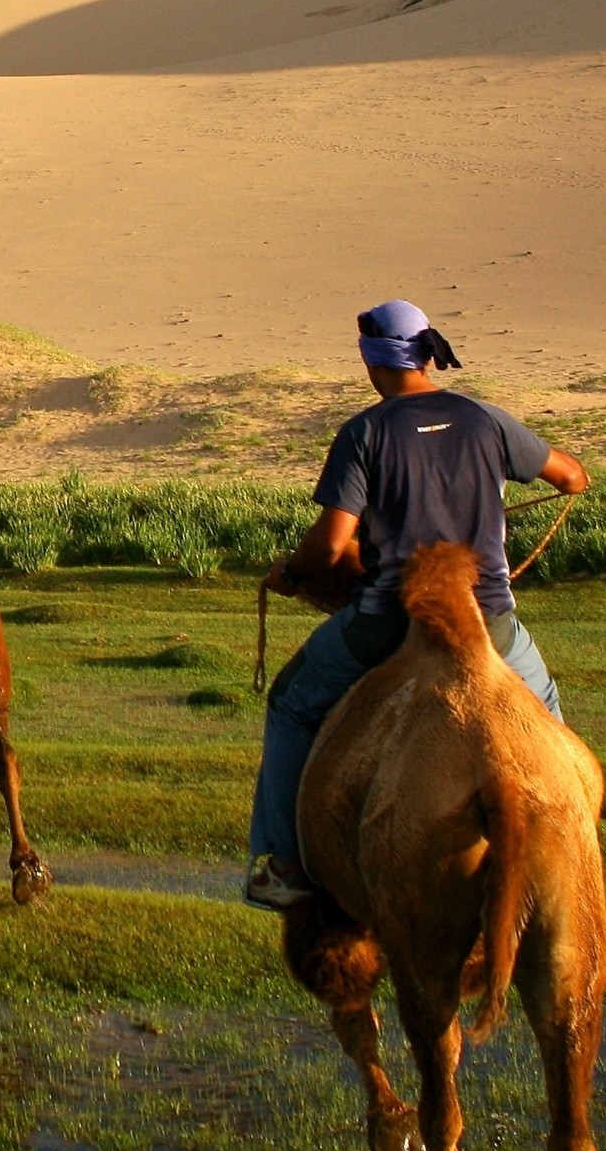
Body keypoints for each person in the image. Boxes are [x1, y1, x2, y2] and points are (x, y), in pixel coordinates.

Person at [241, 299, 586, 914]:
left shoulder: (366, 433)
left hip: (388, 621)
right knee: (548, 711)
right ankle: (571, 841)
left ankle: (286, 865)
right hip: (488, 617)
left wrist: (292, 575)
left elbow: (332, 544)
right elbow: (570, 477)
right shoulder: (486, 419)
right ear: (429, 353)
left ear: (372, 361)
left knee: (290, 704)